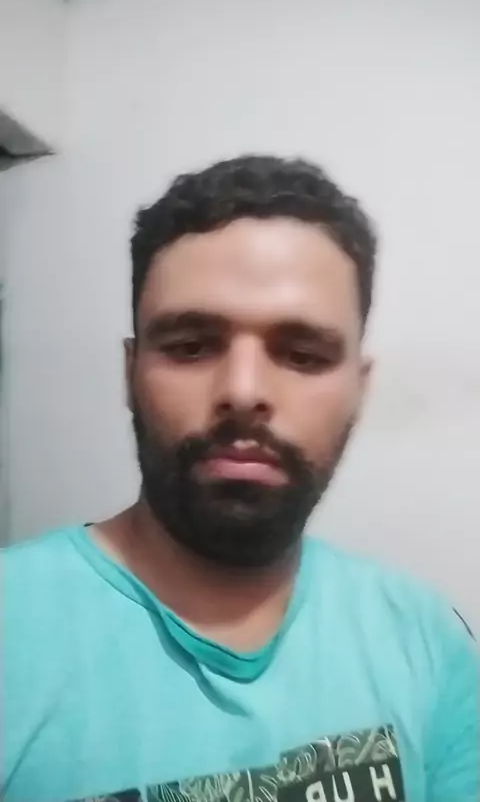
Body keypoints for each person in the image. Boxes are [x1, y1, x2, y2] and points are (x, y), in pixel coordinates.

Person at [2, 156, 478, 802]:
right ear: (130, 373)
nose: (244, 391)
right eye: (190, 346)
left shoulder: (427, 644)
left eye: (302, 355)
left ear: (359, 390)